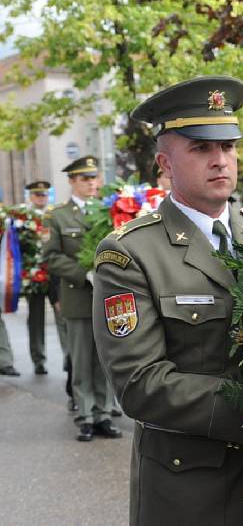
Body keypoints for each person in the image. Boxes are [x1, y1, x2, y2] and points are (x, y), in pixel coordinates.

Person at [92, 76, 243, 525]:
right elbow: (140, 384)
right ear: (165, 163)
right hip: (195, 491)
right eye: (201, 148)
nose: (220, 160)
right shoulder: (130, 253)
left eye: (229, 147)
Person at [43, 157, 120, 441]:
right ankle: (85, 416)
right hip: (77, 296)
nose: (91, 183)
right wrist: (81, 273)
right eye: (84, 179)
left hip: (107, 298)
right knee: (81, 359)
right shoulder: (58, 215)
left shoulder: (108, 210)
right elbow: (50, 256)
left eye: (93, 178)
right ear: (73, 181)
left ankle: (103, 413)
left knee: (104, 359)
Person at [21, 180, 53, 375]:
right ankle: (38, 359)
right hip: (34, 277)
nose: (42, 198)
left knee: (63, 320)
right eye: (38, 195)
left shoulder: (54, 214)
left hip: (55, 275)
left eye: (44, 195)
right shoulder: (22, 218)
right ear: (31, 197)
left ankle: (69, 358)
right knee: (35, 320)